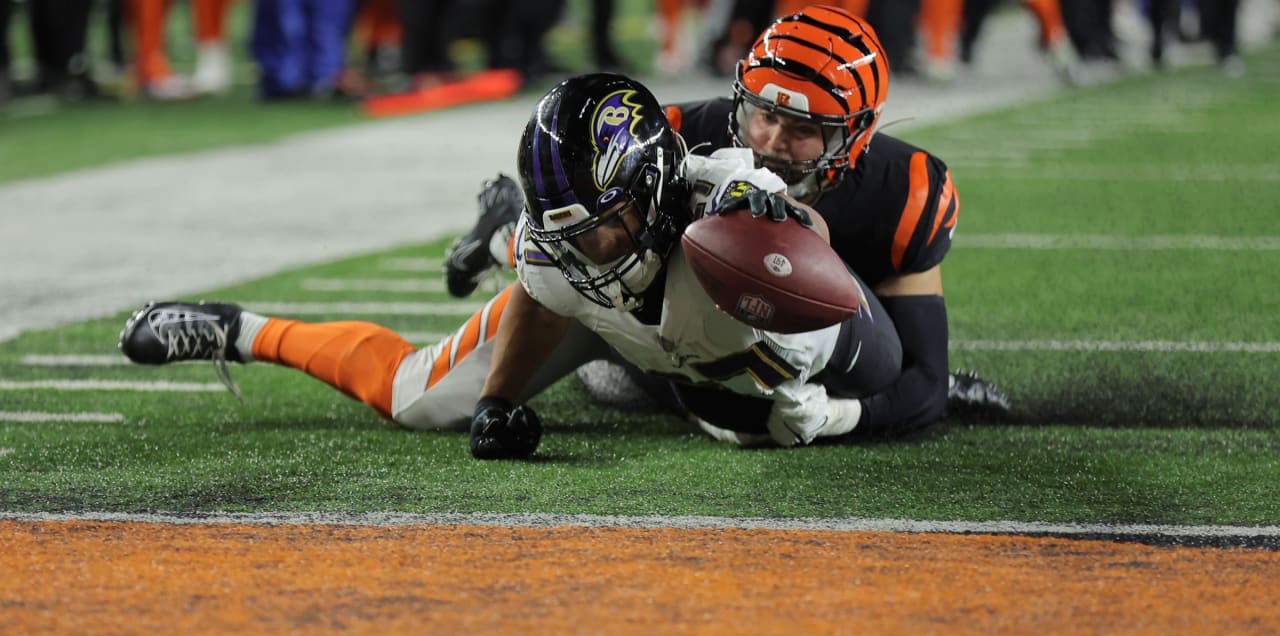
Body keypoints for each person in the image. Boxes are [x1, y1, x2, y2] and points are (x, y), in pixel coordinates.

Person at [116, 72, 902, 461]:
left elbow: (863, 335)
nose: (591, 248)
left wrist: (836, 414)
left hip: (692, 321)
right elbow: (550, 279)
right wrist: (496, 402)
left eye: (608, 225)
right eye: (569, 231)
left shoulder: (733, 218)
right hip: (617, 322)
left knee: (740, 421)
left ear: (657, 191)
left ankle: (499, 229)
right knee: (417, 398)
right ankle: (240, 330)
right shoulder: (567, 248)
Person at [445, 5, 1009, 440]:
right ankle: (507, 228)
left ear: (856, 135)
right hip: (665, 327)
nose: (770, 142)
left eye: (802, 128)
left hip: (787, 347)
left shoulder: (906, 191)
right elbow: (596, 236)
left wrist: (844, 416)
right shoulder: (681, 136)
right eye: (764, 114)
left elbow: (925, 381)